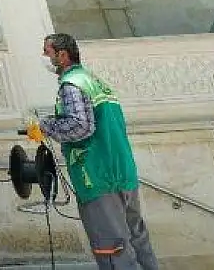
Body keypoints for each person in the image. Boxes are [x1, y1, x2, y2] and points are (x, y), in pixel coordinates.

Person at [26, 33, 159, 270]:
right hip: (123, 172)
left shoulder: (72, 84)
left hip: (97, 176)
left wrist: (45, 126)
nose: (44, 55)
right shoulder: (94, 81)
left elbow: (80, 125)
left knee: (111, 247)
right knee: (137, 238)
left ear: (62, 54)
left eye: (47, 51)